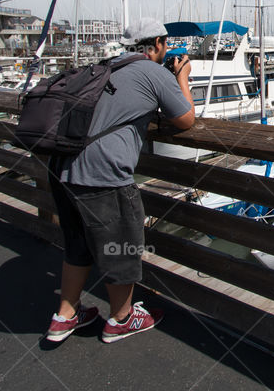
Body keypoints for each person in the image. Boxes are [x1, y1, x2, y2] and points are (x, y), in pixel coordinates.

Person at [45, 17, 194, 343]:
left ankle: (65, 316)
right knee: (122, 246)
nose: (166, 49)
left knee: (78, 243)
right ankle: (121, 318)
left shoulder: (105, 66)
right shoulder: (154, 73)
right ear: (156, 45)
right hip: (102, 174)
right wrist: (181, 76)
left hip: (62, 169)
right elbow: (185, 119)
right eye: (165, 44)